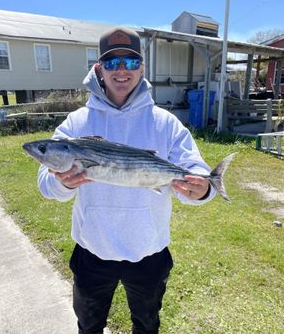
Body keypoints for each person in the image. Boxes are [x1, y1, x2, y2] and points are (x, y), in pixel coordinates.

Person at [38, 26, 215, 334]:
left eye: (131, 62)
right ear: (99, 69)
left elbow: (195, 172)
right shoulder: (78, 123)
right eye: (112, 62)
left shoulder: (165, 123)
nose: (122, 70)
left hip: (149, 250)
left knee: (146, 326)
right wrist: (63, 183)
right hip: (92, 250)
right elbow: (46, 183)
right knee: (89, 326)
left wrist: (202, 189)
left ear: (142, 68)